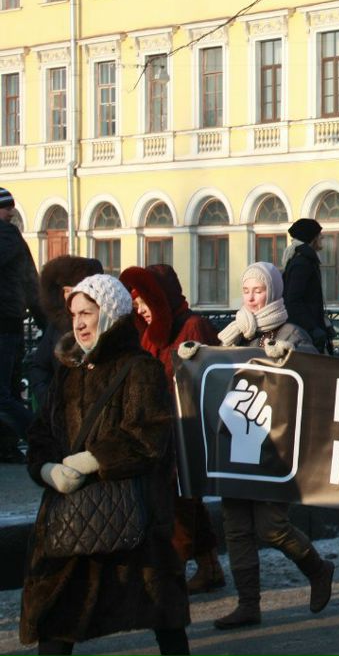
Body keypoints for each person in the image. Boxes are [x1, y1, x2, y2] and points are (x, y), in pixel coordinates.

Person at [21, 274, 190, 655]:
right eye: (74, 314)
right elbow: (41, 433)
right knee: (56, 617)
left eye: (87, 313)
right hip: (73, 517)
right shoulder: (68, 370)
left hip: (133, 514)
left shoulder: (139, 368)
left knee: (163, 611)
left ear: (110, 313)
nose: (78, 323)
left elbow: (151, 435)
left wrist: (90, 460)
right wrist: (48, 469)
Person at [212, 262, 335, 629]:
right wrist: (195, 356)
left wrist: (291, 358)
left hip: (276, 447)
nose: (251, 297)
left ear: (274, 292)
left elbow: (317, 376)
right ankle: (248, 604)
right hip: (236, 445)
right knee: (235, 527)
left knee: (271, 527)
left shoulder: (291, 332)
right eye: (247, 290)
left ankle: (318, 568)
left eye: (259, 291)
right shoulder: (232, 333)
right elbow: (211, 373)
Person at [119, 265, 226, 595]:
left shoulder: (192, 325)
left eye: (144, 301)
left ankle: (171, 571)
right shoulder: (151, 334)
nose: (140, 309)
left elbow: (207, 382)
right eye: (135, 303)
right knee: (183, 501)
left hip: (188, 430)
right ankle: (209, 566)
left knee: (178, 501)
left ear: (160, 297)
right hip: (164, 431)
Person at [26, 256, 104, 416]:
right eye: (66, 291)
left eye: (73, 290)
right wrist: (49, 400)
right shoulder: (57, 325)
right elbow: (39, 367)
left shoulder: (105, 326)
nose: (68, 296)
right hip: (60, 418)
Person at [0, 186, 42, 451]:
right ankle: (7, 447)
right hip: (10, 323)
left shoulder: (5, 235)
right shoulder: (12, 236)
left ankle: (41, 438)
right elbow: (31, 284)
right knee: (9, 391)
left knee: (2, 396)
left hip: (4, 324)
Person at [282, 217, 333, 354]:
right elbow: (293, 301)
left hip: (308, 330)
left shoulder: (306, 260)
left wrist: (325, 326)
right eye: (319, 235)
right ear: (312, 238)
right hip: (304, 334)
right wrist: (313, 329)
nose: (322, 237)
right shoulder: (302, 263)